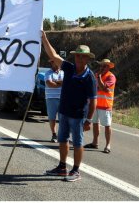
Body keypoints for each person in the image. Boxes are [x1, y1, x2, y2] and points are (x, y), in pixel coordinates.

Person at [41, 31, 97, 182]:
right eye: (77, 55)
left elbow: (93, 101)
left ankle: (76, 170)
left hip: (78, 115)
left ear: (87, 59)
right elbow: (53, 56)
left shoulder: (90, 77)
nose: (79, 58)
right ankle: (62, 167)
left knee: (78, 142)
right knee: (63, 139)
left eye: (82, 56)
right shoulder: (69, 68)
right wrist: (44, 39)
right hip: (64, 112)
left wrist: (89, 120)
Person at [84, 59, 116, 154]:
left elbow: (103, 88)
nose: (102, 67)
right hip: (96, 104)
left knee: (107, 125)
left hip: (106, 105)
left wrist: (99, 77)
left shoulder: (111, 76)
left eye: (105, 66)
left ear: (109, 67)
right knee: (95, 123)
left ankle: (108, 145)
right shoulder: (97, 75)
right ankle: (95, 142)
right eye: (101, 65)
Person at [44, 59, 64, 143]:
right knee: (52, 118)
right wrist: (61, 83)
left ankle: (62, 135)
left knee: (63, 118)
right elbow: (50, 84)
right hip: (51, 98)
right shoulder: (48, 73)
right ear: (52, 63)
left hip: (63, 98)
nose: (55, 63)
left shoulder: (63, 72)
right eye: (53, 62)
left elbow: (66, 82)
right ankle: (54, 134)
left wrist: (56, 82)